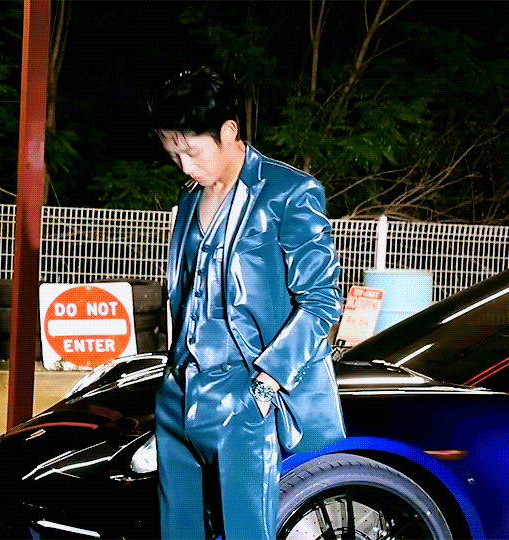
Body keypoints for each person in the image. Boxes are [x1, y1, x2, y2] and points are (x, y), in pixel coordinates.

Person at [148, 67, 346, 540]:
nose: (186, 168)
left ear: (228, 132)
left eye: (192, 152)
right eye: (174, 155)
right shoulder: (190, 199)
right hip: (179, 392)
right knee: (178, 532)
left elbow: (322, 301)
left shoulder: (289, 192)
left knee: (245, 532)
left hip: (247, 394)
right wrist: (172, 379)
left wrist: (265, 384)